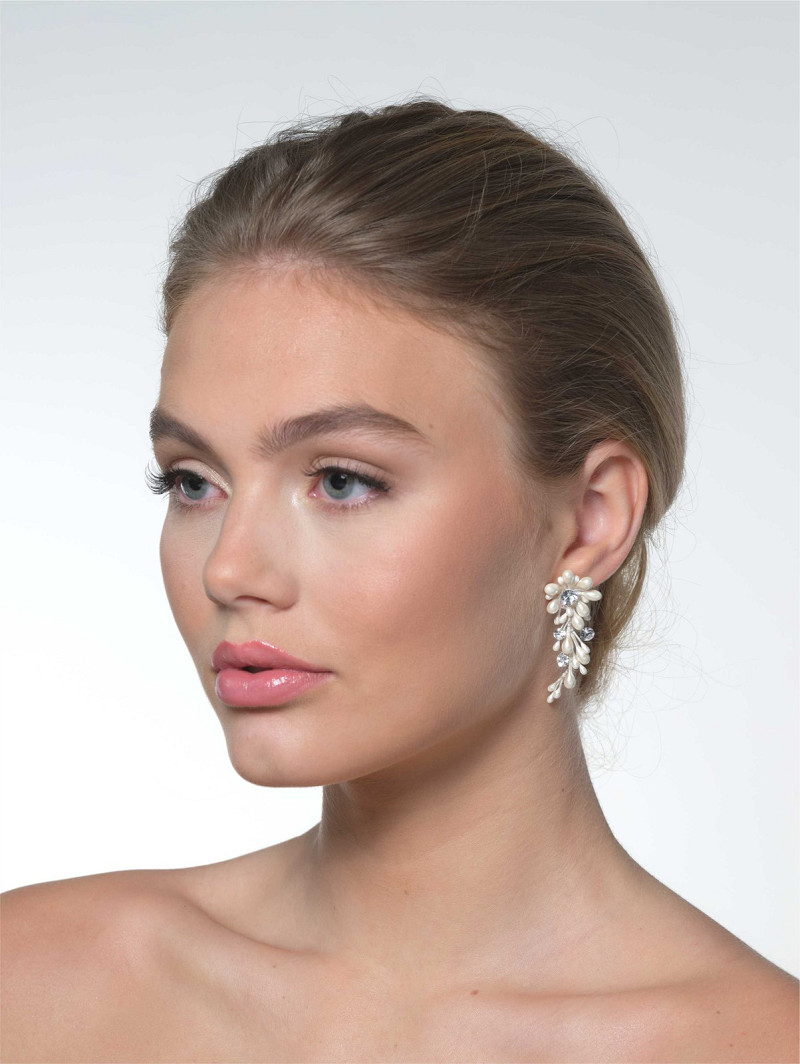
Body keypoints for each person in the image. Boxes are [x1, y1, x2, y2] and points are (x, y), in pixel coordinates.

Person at [2, 98, 797, 1064]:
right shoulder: (38, 987)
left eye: (342, 481)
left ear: (591, 519)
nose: (229, 568)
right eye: (194, 482)